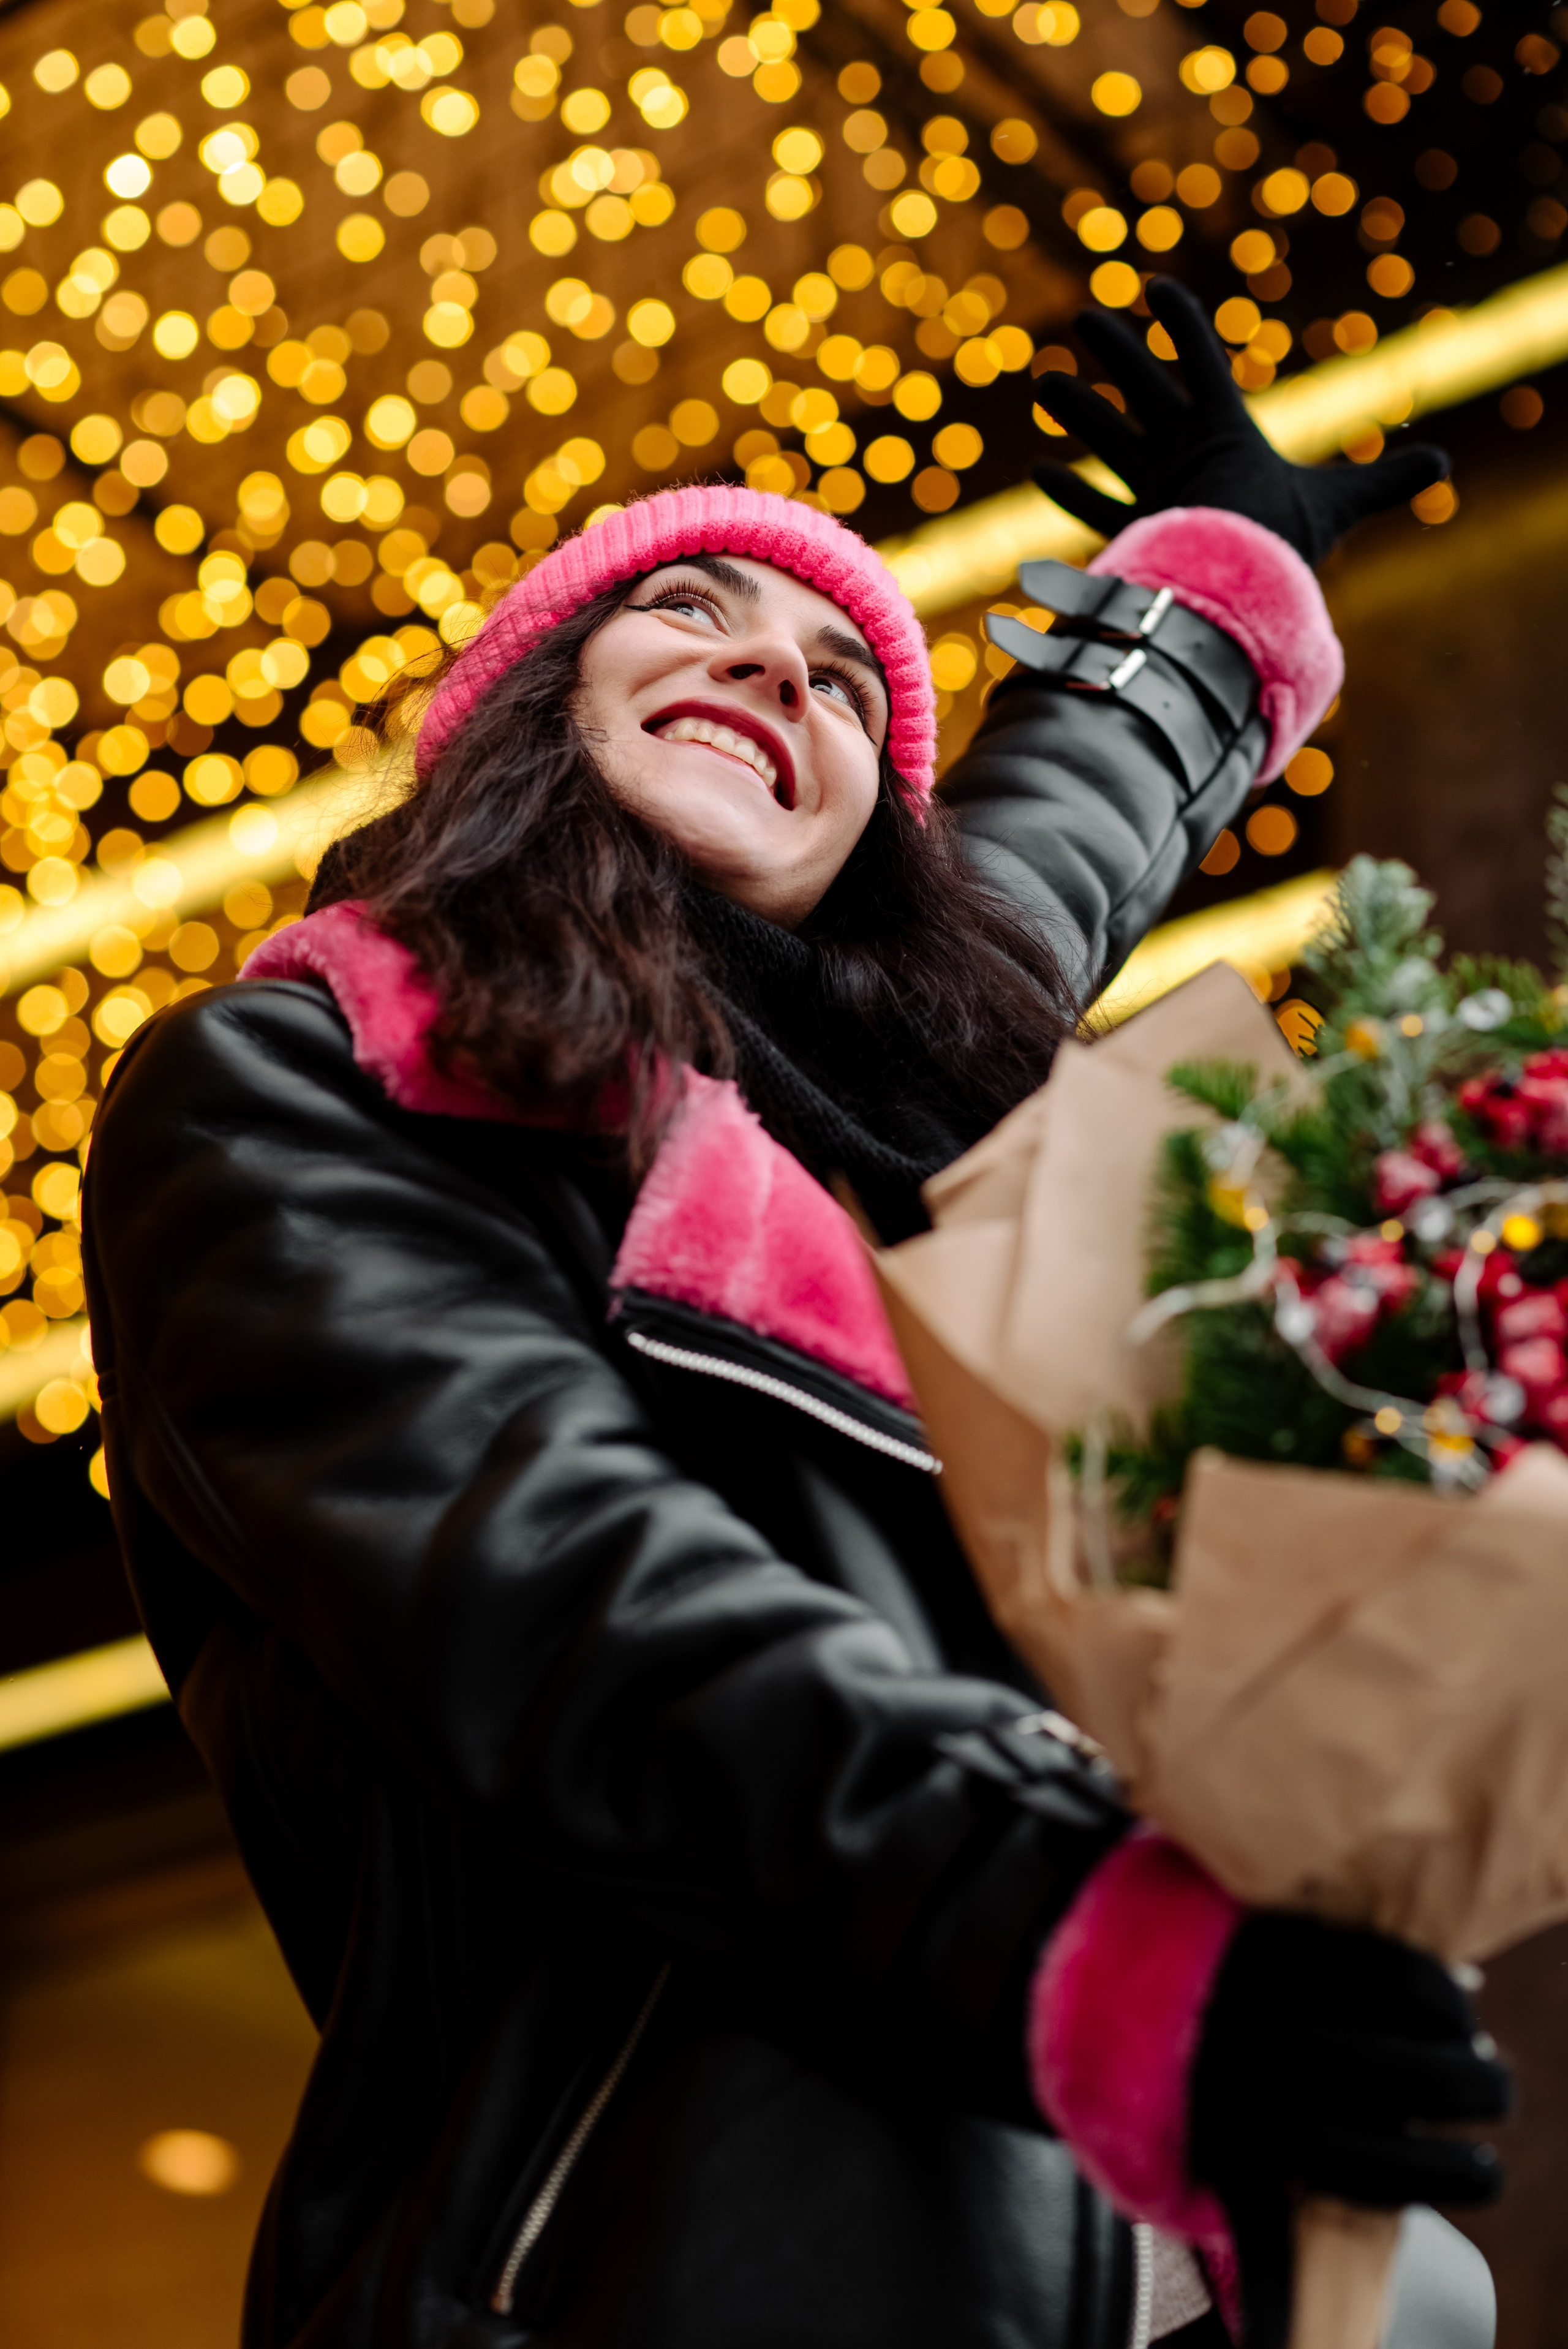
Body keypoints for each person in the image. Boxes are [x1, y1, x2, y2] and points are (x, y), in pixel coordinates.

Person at [83, 281, 1506, 2349]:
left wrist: (1220, 578)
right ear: (523, 706)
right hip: (640, 2266)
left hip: (1154, 2260)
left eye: (853, 678)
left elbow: (1046, 853)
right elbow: (579, 1598)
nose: (788, 665)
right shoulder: (310, 1079)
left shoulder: (903, 1122)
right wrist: (1105, 1937)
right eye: (695, 613)